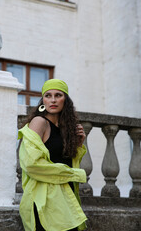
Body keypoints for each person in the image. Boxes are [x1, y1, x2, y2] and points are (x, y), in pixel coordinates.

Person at [18, 79, 87, 231]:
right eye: (48, 95)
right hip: (45, 201)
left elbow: (67, 163)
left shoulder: (65, 130)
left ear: (66, 101)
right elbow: (32, 165)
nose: (53, 100)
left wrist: (78, 145)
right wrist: (73, 174)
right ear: (43, 100)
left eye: (58, 95)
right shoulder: (39, 122)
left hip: (65, 199)